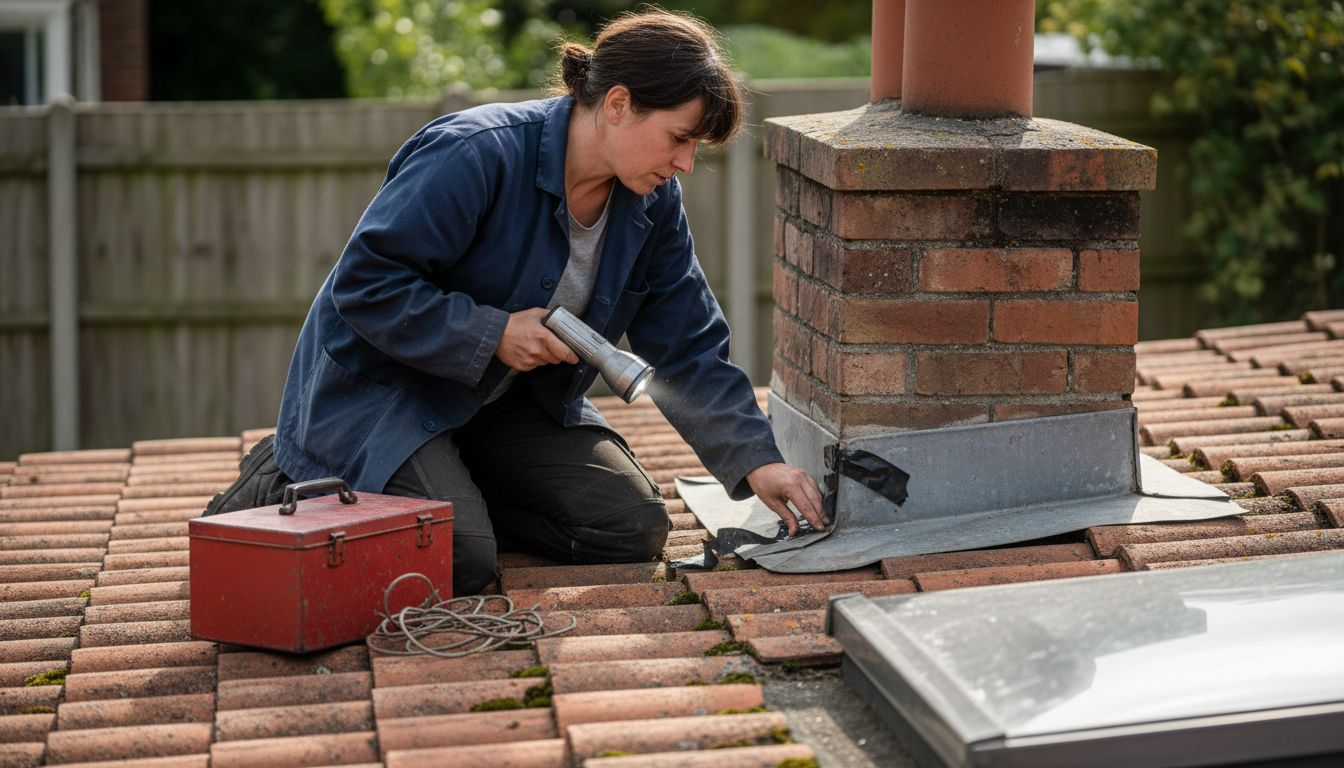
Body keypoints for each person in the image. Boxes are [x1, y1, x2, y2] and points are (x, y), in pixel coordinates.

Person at [204, 9, 827, 595]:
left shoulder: (651, 203)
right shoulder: (475, 153)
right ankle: (293, 468)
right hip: (388, 395)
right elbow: (365, 288)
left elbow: (689, 344)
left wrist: (756, 462)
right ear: (618, 104)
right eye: (678, 139)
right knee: (458, 557)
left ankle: (450, 490)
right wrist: (493, 333)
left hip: (508, 407)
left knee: (629, 529)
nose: (686, 164)